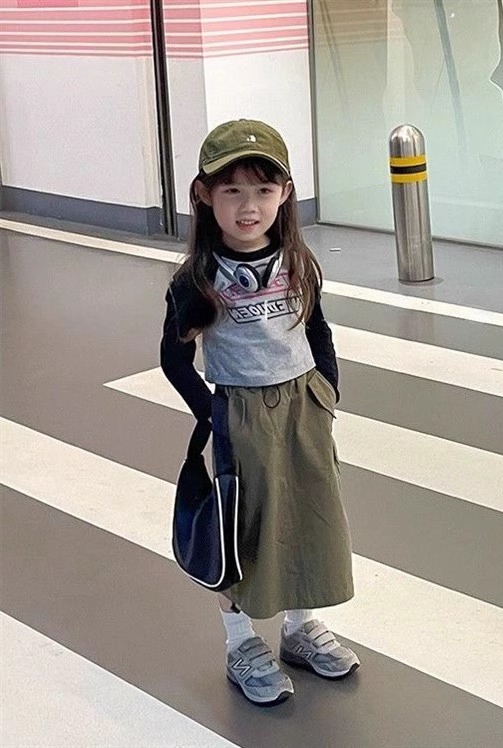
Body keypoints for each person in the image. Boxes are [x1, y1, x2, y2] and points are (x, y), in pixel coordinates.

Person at [160, 119, 359, 706]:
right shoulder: (197, 279)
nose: (249, 206)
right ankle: (241, 641)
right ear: (204, 194)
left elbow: (317, 328)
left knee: (307, 515)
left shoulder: (298, 261)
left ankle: (299, 628)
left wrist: (326, 392)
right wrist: (212, 413)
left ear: (285, 193)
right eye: (232, 191)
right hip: (240, 416)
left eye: (263, 190)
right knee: (242, 530)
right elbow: (173, 358)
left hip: (303, 410)